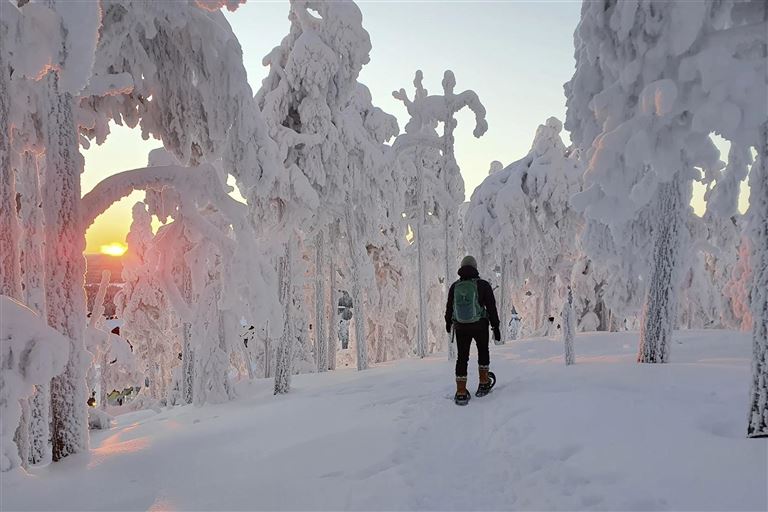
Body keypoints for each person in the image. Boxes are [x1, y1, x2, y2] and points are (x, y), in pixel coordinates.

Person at [445, 255, 501, 404]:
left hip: (460, 326)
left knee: (462, 357)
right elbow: (491, 307)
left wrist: (448, 324)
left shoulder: (455, 286)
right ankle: (483, 383)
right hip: (479, 325)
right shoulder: (483, 285)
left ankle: (461, 391)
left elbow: (449, 307)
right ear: (475, 268)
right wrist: (496, 326)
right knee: (483, 351)